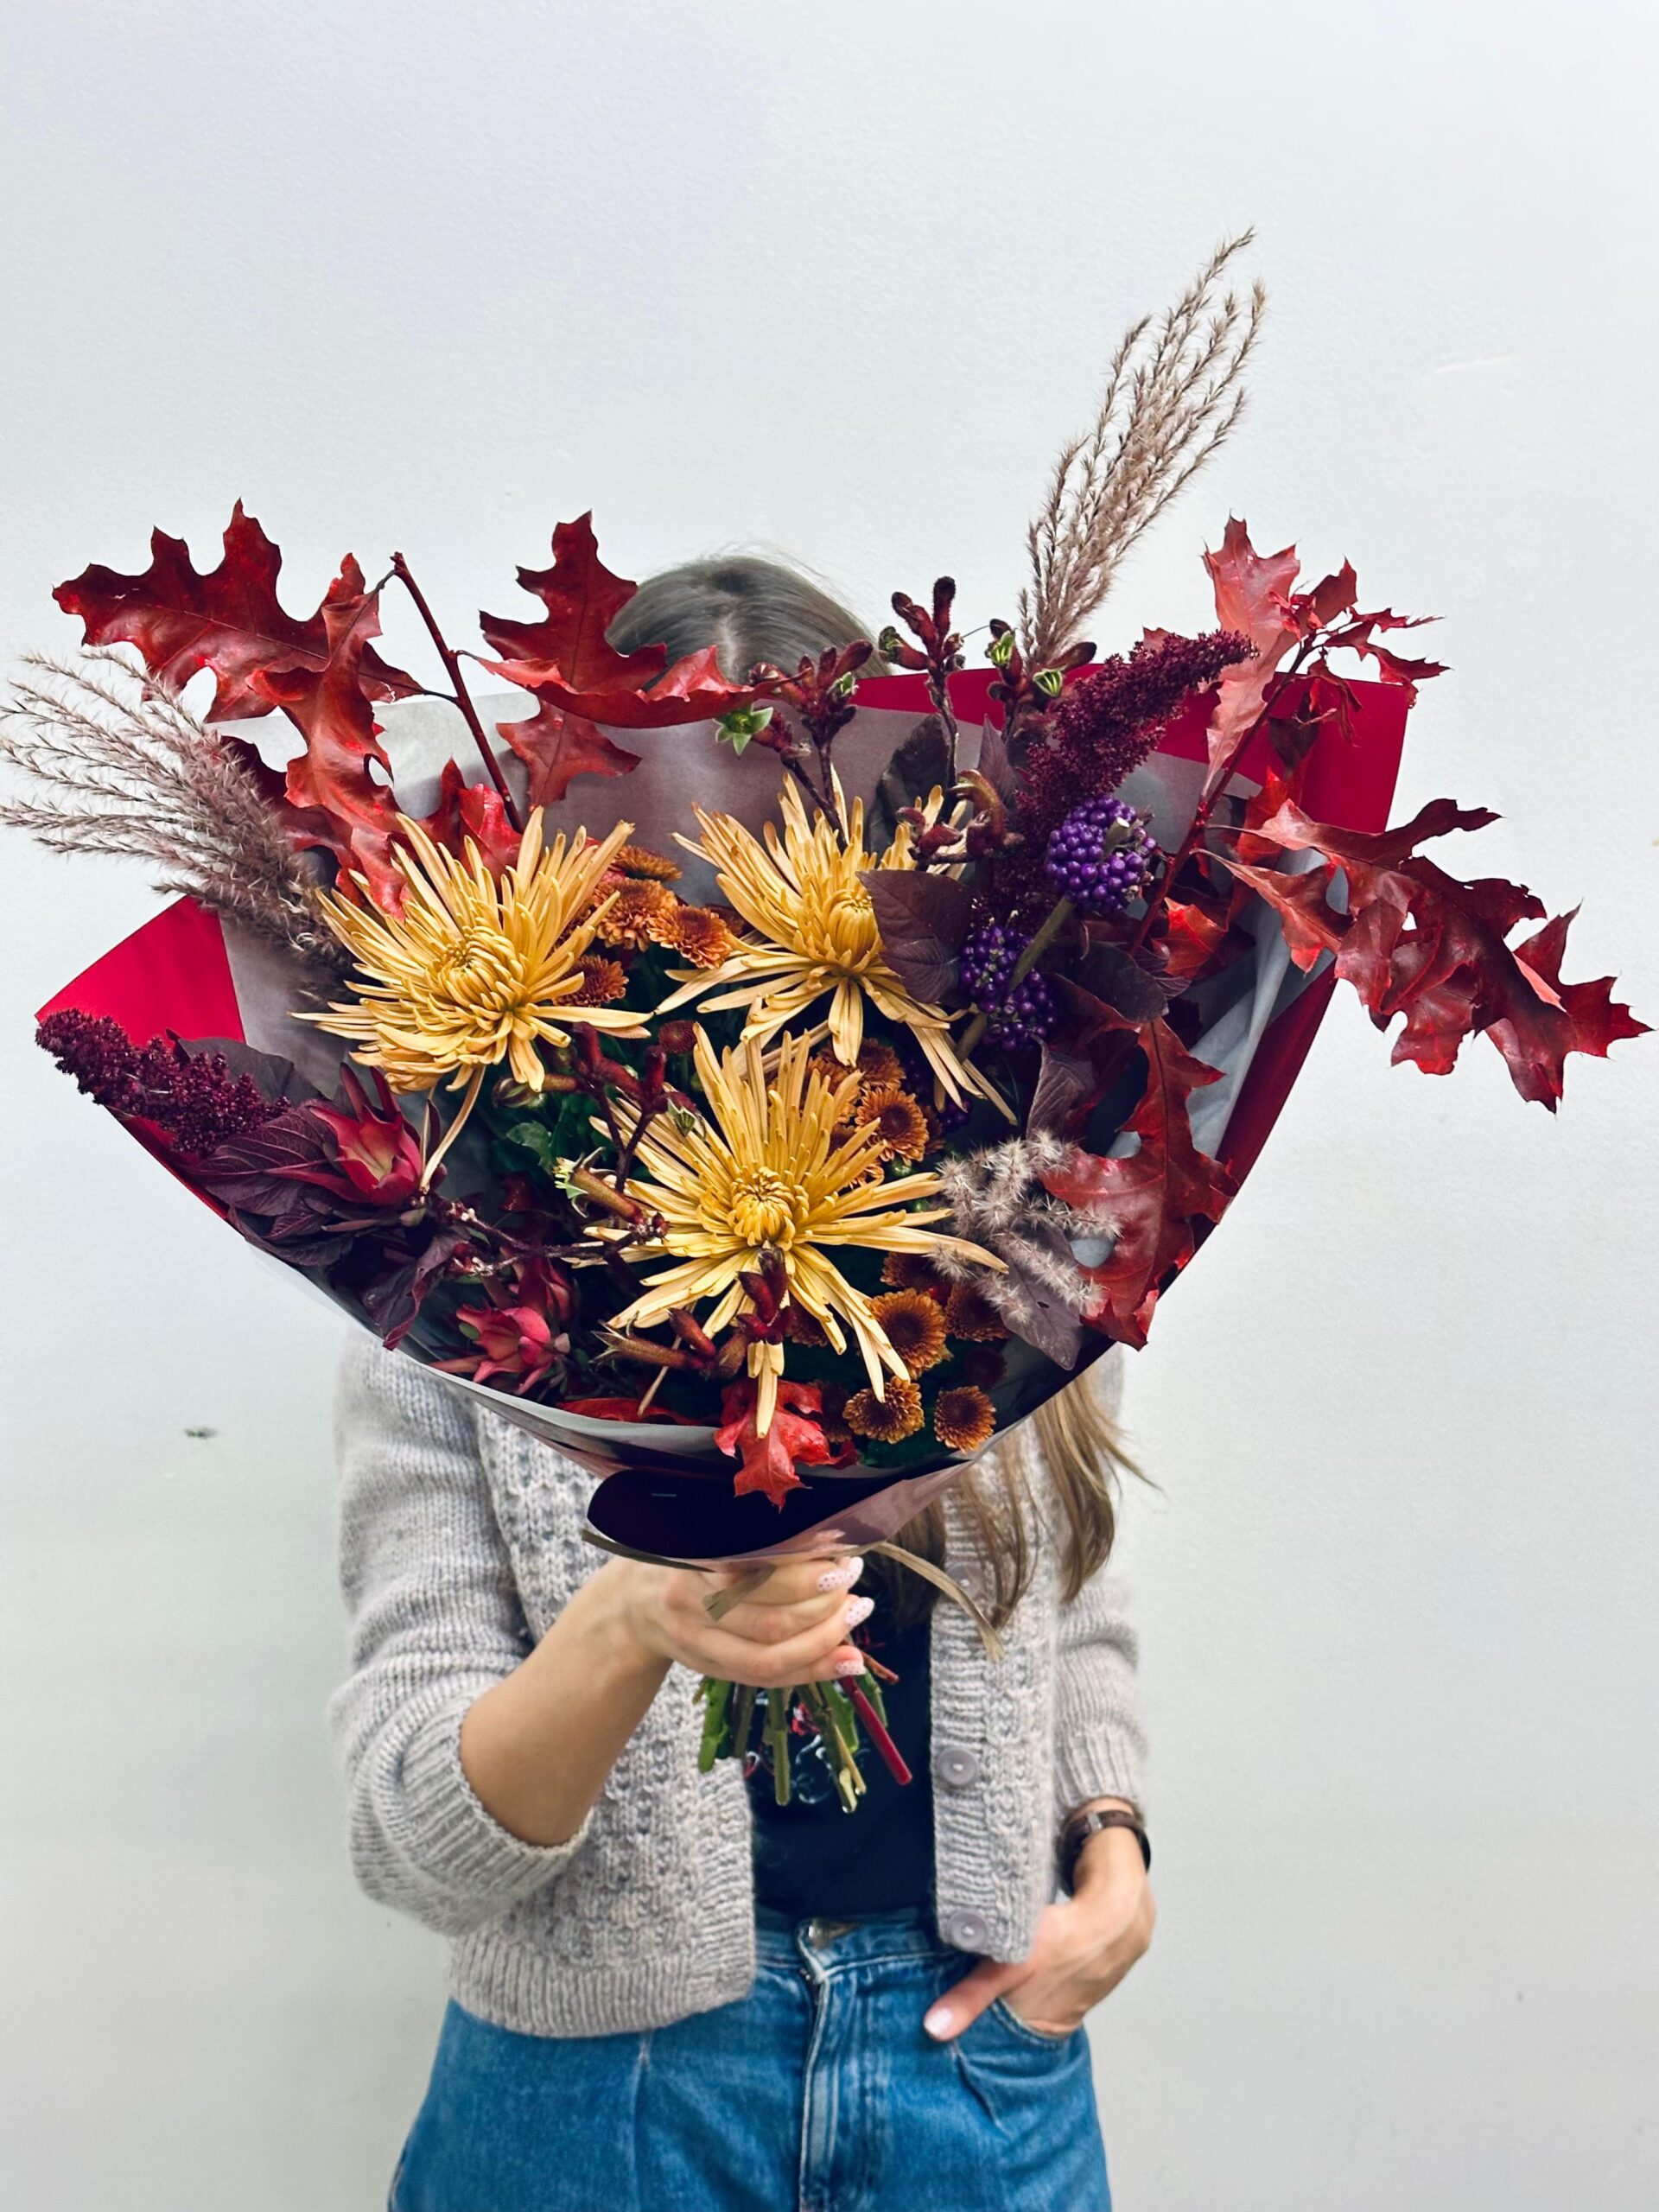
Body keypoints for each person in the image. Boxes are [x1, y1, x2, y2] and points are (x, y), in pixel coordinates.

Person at [332, 556, 1156, 2212]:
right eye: (672, 864)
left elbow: (1076, 1590)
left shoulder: (1011, 1198)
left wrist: (1115, 1846)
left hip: (980, 2067)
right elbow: (412, 1841)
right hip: (595, 2095)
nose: (730, 929)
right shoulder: (456, 1273)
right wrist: (636, 1619)